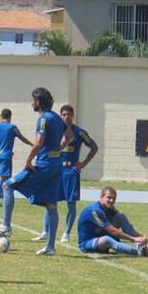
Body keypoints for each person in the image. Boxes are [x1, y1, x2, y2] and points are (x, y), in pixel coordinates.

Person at [0, 87, 72, 256]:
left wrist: (28, 160)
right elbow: (69, 136)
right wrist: (57, 151)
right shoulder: (56, 117)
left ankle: (6, 225)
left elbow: (39, 142)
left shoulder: (43, 119)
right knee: (51, 205)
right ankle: (50, 247)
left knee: (7, 185)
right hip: (56, 165)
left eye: (33, 100)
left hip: (44, 165)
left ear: (38, 102)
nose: (31, 102)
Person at [32, 104, 98, 243]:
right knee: (50, 201)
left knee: (71, 204)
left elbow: (94, 147)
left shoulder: (79, 132)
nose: (66, 117)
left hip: (71, 172)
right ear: (60, 116)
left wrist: (84, 163)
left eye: (69, 114)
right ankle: (45, 231)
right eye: (64, 114)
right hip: (57, 170)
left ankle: (66, 233)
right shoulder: (56, 131)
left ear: (73, 116)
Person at [77, 187, 148, 256]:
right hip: (88, 243)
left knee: (121, 217)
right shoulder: (95, 210)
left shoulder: (111, 209)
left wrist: (140, 236)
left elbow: (121, 225)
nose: (111, 200)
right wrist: (133, 239)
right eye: (109, 197)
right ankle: (138, 252)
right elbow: (112, 231)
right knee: (107, 239)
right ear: (101, 197)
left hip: (100, 234)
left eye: (114, 198)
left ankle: (141, 245)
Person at [0, 108, 33, 207]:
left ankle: (3, 196)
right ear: (10, 117)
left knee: (2, 177)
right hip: (5, 156)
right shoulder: (11, 127)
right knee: (2, 178)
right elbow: (21, 137)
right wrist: (32, 144)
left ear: (2, 116)